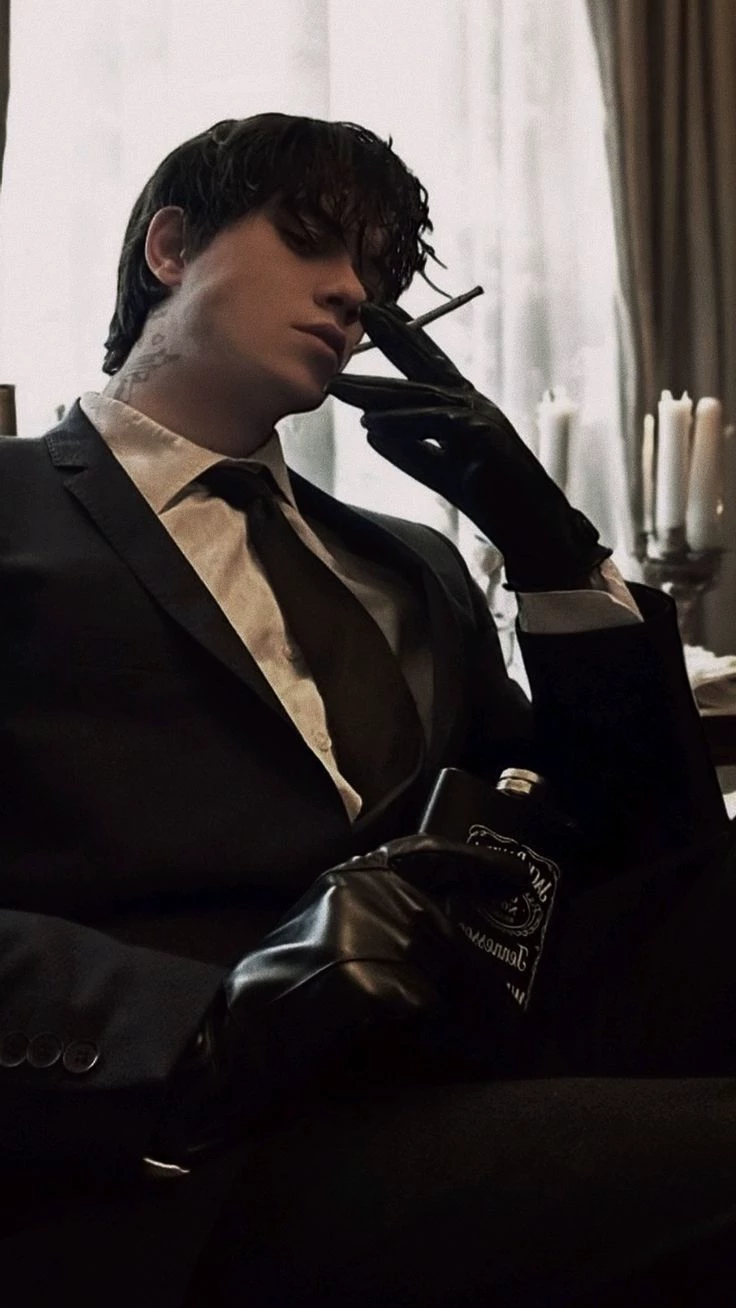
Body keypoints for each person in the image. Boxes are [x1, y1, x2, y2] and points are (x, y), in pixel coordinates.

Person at [0, 112, 735, 1308]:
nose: (352, 294)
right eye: (312, 240)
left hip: (472, 1063)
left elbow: (644, 851)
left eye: (377, 272)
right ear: (170, 248)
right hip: (198, 1152)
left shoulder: (408, 562)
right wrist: (209, 1025)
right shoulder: (13, 511)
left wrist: (548, 545)